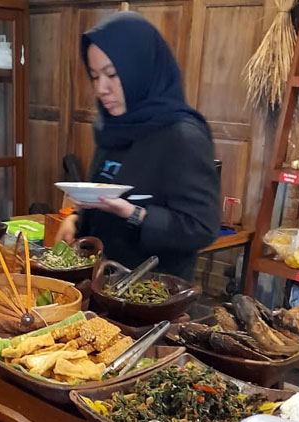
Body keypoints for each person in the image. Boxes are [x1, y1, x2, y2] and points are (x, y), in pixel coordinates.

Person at [55, 12, 220, 281]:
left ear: (141, 70)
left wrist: (134, 214)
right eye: (95, 76)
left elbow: (202, 228)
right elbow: (102, 194)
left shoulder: (183, 135)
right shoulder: (113, 126)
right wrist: (77, 219)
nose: (102, 89)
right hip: (101, 284)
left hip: (152, 297)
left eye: (111, 74)